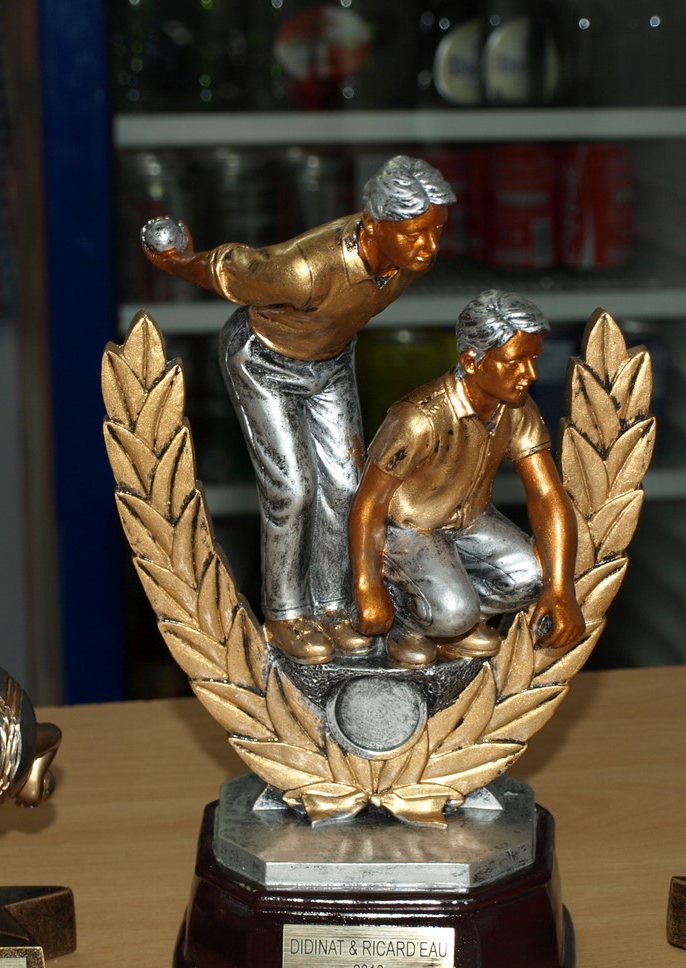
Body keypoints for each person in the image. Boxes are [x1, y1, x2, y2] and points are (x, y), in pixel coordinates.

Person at [141, 155, 455, 665]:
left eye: (436, 232)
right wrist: (179, 261)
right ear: (375, 224)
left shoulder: (406, 261)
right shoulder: (306, 268)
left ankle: (331, 606)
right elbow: (236, 270)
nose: (430, 247)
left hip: (330, 363)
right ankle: (286, 615)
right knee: (292, 490)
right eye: (416, 234)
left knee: (346, 486)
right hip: (264, 362)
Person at [349, 290, 583, 667]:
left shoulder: (517, 409)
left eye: (534, 359)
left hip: (470, 522)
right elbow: (369, 500)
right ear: (472, 361)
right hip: (409, 530)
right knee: (452, 610)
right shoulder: (418, 418)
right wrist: (367, 586)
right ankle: (409, 622)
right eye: (515, 362)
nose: (530, 375)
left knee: (536, 576)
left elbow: (546, 494)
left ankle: (455, 622)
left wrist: (561, 588)